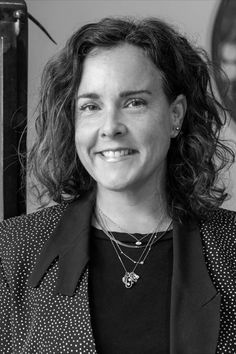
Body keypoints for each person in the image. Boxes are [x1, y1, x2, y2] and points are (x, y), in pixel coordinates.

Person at [0, 16, 235, 354]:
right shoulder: (10, 252)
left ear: (175, 115)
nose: (110, 127)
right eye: (91, 106)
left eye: (134, 102)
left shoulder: (232, 249)